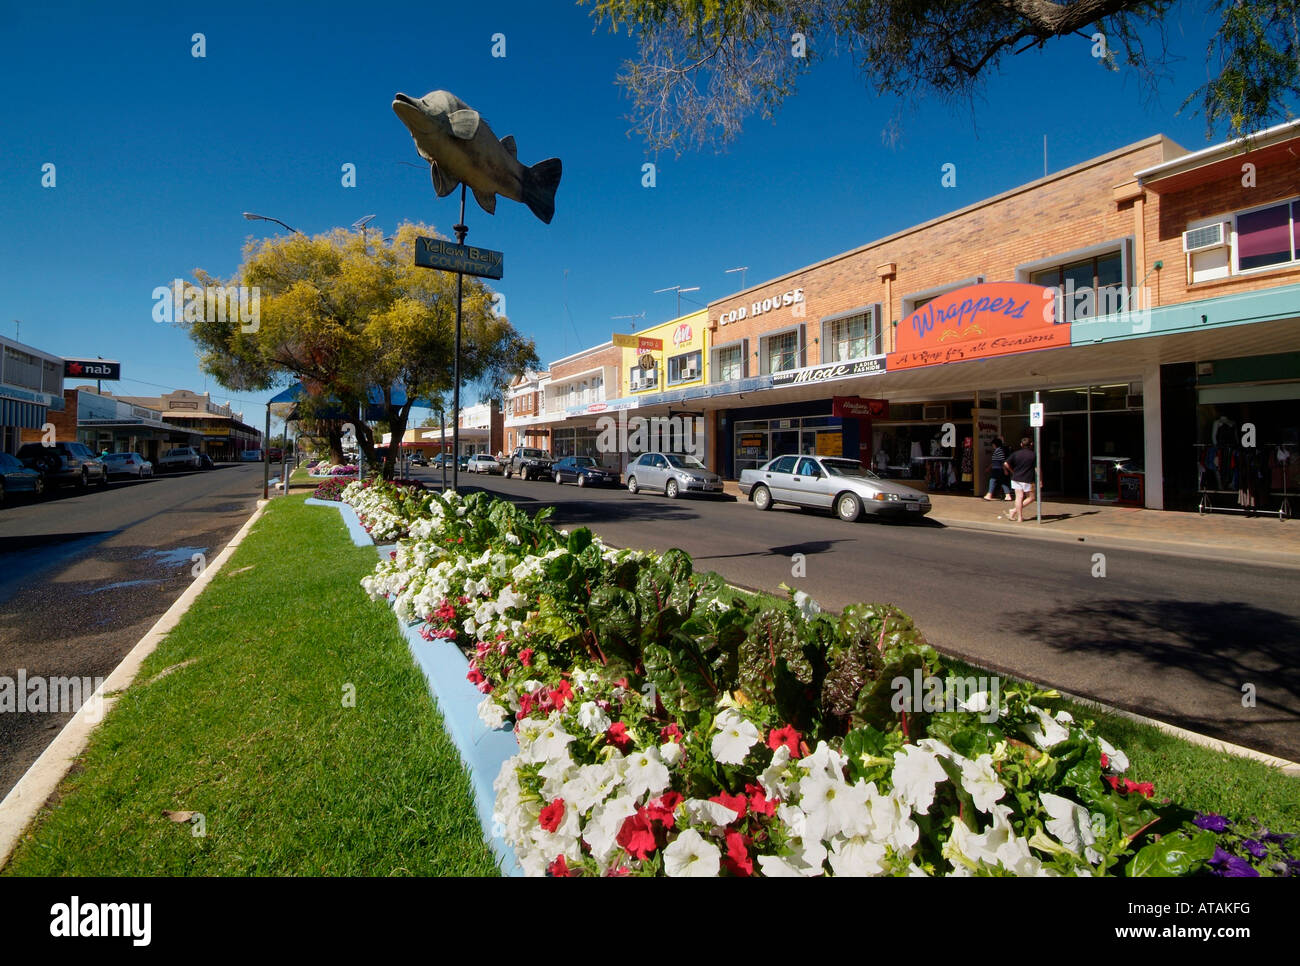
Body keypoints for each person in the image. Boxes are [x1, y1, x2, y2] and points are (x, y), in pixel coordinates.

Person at [1004, 437, 1037, 522]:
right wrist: (1040, 479)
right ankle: (1014, 511)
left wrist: (1012, 471)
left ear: (1021, 444)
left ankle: (1019, 517)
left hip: (1016, 478)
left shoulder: (1016, 454)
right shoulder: (1033, 455)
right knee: (1032, 497)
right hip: (1028, 479)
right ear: (1031, 444)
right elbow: (1037, 468)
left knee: (1019, 497)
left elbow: (1005, 463)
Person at [983, 437, 1011, 501]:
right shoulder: (998, 450)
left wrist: (1005, 469)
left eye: (993, 444)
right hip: (997, 468)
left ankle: (989, 495)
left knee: (992, 481)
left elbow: (1002, 461)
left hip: (998, 469)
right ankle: (1007, 495)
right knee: (1003, 482)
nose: (992, 446)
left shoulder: (999, 451)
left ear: (995, 444)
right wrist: (989, 468)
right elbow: (995, 461)